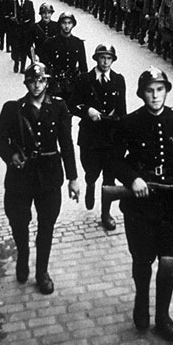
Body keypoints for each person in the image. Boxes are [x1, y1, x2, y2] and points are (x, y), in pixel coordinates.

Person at [112, 67, 173, 342]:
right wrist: (133, 178)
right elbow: (114, 160)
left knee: (168, 260)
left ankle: (162, 316)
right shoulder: (129, 122)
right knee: (142, 258)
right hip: (141, 204)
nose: (155, 95)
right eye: (150, 90)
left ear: (166, 90)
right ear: (142, 93)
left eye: (160, 89)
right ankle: (141, 302)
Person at [0, 62, 80, 295]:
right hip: (20, 178)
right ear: (26, 83)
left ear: (47, 82)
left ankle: (42, 272)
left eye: (41, 81)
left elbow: (67, 144)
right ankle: (23, 255)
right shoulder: (13, 109)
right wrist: (10, 155)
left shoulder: (59, 107)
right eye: (32, 81)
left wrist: (73, 178)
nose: (37, 85)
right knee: (19, 221)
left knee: (47, 225)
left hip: (50, 177)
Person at [69, 44, 126, 230]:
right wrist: (87, 111)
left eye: (109, 58)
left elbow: (122, 111)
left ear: (113, 60)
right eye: (102, 57)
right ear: (96, 58)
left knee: (109, 179)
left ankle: (105, 213)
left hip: (111, 138)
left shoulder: (118, 80)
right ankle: (90, 183)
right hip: (90, 138)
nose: (105, 61)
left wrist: (124, 137)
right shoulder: (84, 79)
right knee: (91, 171)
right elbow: (72, 104)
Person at [41, 12, 88, 102]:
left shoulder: (78, 43)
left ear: (73, 25)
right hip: (55, 82)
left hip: (72, 82)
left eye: (69, 23)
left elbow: (83, 66)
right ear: (60, 24)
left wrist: (85, 84)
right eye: (64, 23)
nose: (66, 26)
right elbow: (44, 64)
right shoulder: (50, 42)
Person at [11, 0, 35, 73]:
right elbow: (8, 14)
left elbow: (32, 17)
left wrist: (31, 28)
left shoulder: (29, 3)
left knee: (24, 48)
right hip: (16, 29)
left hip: (25, 29)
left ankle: (22, 67)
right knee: (16, 48)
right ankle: (16, 63)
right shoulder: (13, 2)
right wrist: (12, 18)